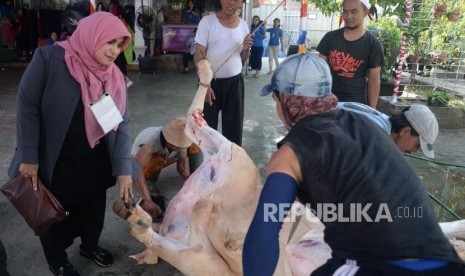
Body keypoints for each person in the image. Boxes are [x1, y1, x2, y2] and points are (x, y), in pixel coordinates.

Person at [242, 54, 464, 275]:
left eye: (275, 99)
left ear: (284, 99)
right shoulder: (368, 126)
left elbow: (263, 235)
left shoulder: (290, 154)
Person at [7, 12, 133, 276]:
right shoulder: (49, 59)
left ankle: (89, 246)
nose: (114, 51)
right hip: (55, 159)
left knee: (93, 207)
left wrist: (124, 171)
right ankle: (58, 260)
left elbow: (121, 125)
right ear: (93, 35)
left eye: (120, 44)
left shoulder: (114, 76)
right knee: (52, 212)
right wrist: (29, 156)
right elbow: (27, 105)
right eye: (109, 42)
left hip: (95, 158)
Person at [194, 0, 253, 146]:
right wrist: (204, 84)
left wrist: (246, 49)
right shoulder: (207, 22)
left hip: (234, 84)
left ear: (241, 3)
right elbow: (198, 54)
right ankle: (208, 166)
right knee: (206, 131)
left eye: (236, 0)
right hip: (209, 84)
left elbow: (243, 59)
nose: (231, 2)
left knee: (234, 131)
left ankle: (231, 165)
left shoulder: (244, 25)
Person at [316, 0, 384, 108]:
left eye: (354, 11)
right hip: (327, 104)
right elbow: (319, 71)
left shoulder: (373, 45)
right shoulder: (329, 38)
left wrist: (372, 110)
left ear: (365, 12)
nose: (348, 16)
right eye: (345, 11)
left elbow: (374, 80)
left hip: (355, 107)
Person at [131, 116, 201, 215]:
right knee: (153, 164)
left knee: (195, 145)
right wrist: (148, 200)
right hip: (144, 161)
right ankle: (149, 185)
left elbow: (182, 164)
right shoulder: (151, 142)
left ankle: (196, 177)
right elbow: (136, 168)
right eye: (176, 145)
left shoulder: (181, 139)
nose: (178, 147)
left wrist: (188, 181)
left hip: (167, 155)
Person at [337, 102, 438, 158]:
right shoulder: (376, 136)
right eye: (417, 145)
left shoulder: (383, 121)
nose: (414, 151)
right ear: (405, 131)